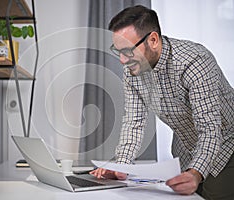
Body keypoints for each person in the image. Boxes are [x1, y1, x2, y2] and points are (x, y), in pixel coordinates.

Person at [90, 5, 234, 200]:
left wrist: (195, 173)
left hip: (226, 144)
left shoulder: (194, 62)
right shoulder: (133, 71)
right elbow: (134, 122)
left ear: (153, 40)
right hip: (186, 148)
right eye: (118, 51)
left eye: (128, 51)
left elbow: (210, 129)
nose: (122, 60)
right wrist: (121, 166)